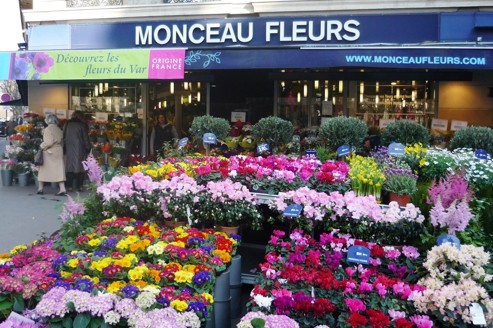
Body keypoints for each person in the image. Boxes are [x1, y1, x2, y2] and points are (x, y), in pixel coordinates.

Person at [37, 114, 67, 196]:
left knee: (43, 169)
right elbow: (62, 141)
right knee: (59, 170)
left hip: (49, 151)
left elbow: (49, 142)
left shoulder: (47, 129)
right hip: (58, 150)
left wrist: (42, 147)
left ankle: (40, 188)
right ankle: (62, 189)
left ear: (48, 120)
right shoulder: (58, 129)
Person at [63, 111, 91, 192]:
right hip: (80, 148)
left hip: (68, 147)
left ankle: (69, 186)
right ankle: (80, 186)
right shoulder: (82, 125)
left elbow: (63, 135)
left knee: (69, 166)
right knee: (80, 167)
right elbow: (85, 138)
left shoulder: (67, 124)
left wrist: (64, 147)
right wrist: (88, 147)